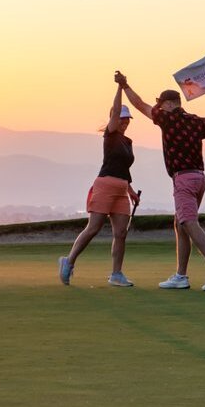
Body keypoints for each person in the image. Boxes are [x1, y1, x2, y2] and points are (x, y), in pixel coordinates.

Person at [115, 70, 205, 291]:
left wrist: (125, 85)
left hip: (184, 178)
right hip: (199, 178)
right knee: (180, 225)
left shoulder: (167, 119)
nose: (157, 107)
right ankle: (181, 276)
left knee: (188, 222)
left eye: (161, 104)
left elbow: (140, 105)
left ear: (169, 104)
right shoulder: (195, 121)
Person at [59, 80, 140, 287]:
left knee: (121, 233)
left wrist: (130, 190)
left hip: (121, 189)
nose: (125, 122)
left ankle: (116, 274)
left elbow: (125, 168)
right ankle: (69, 261)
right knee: (94, 227)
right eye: (122, 118)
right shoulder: (110, 135)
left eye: (127, 119)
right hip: (104, 185)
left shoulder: (127, 142)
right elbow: (113, 115)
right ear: (115, 118)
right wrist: (120, 87)